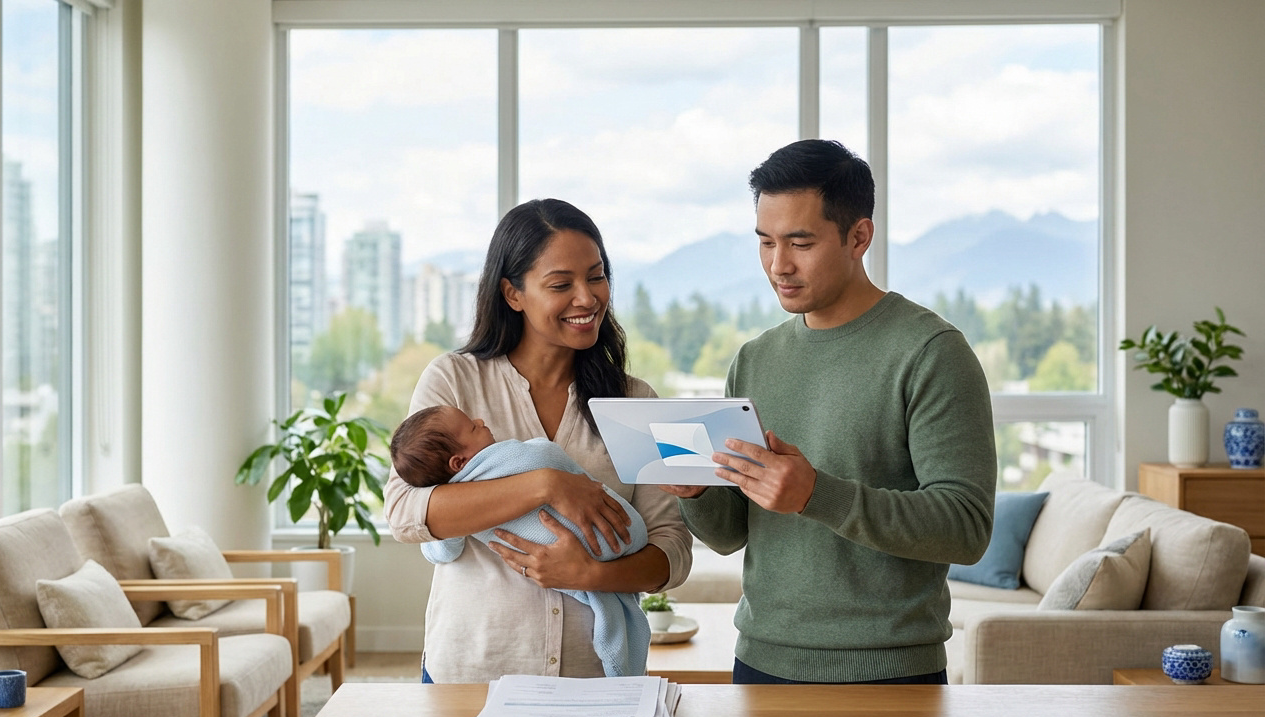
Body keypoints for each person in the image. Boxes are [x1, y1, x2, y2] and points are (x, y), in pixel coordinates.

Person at [662, 139, 996, 685]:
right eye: (765, 242)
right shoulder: (754, 359)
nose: (779, 265)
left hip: (890, 673)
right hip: (761, 661)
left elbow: (966, 527)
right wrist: (696, 492)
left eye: (801, 243)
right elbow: (729, 535)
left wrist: (816, 494)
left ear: (859, 236)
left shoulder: (931, 352)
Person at [384, 198, 692, 684]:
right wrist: (546, 485)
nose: (587, 298)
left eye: (596, 276)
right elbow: (406, 513)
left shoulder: (634, 401)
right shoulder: (454, 381)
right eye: (561, 285)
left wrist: (590, 576)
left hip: (593, 680)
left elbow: (671, 549)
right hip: (471, 673)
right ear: (513, 293)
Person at [389, 404, 651, 677]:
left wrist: (591, 575)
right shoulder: (466, 491)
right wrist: (547, 481)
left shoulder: (456, 503)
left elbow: (442, 550)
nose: (481, 420)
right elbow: (542, 454)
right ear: (459, 463)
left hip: (584, 668)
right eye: (473, 428)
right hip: (473, 665)